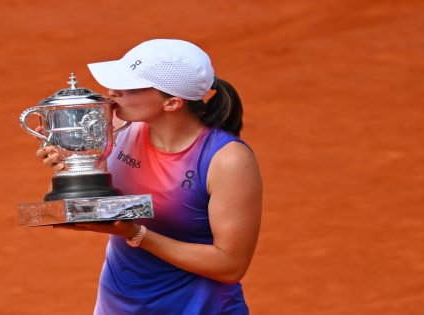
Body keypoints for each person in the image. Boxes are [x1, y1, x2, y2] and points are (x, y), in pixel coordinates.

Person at [37, 39, 262, 314]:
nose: (111, 93)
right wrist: (71, 167)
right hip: (117, 306)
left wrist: (135, 233)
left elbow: (230, 266)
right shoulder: (117, 129)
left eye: (128, 88)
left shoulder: (227, 160)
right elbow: (83, 202)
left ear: (172, 103)